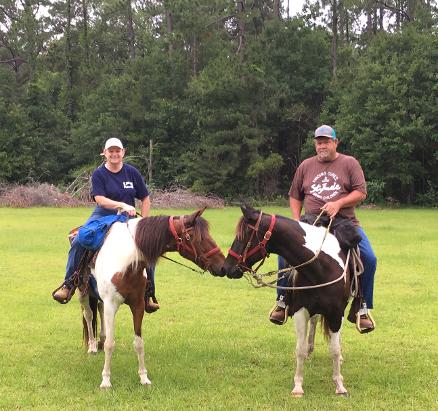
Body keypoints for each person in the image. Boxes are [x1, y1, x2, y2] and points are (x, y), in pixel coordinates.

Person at [269, 125, 377, 332]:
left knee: (369, 258)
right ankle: (282, 301)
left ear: (335, 142)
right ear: (315, 144)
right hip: (310, 222)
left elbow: (360, 193)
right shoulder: (306, 166)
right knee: (285, 253)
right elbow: (295, 195)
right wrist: (295, 222)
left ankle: (361, 307)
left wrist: (338, 204)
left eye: (326, 141)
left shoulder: (349, 163)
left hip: (344, 222)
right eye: (319, 142)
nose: (322, 146)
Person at [52, 137, 160, 312]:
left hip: (128, 218)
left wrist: (144, 221)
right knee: (80, 239)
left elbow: (145, 198)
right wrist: (121, 204)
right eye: (111, 151)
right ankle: (69, 283)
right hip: (103, 215)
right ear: (105, 153)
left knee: (148, 247)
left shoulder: (132, 173)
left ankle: (148, 294)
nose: (115, 154)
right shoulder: (99, 174)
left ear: (123, 152)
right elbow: (100, 199)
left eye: (118, 151)